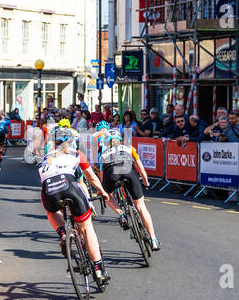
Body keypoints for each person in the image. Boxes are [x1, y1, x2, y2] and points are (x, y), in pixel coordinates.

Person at [38, 127, 114, 285]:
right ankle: (98, 269)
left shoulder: (46, 157)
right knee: (87, 229)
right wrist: (103, 192)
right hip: (70, 186)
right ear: (71, 142)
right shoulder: (76, 154)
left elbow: (44, 184)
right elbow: (91, 179)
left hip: (49, 190)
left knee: (51, 212)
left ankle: (63, 233)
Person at [94, 122, 160, 251]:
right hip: (128, 172)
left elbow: (102, 178)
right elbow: (140, 169)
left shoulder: (103, 154)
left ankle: (121, 214)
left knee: (107, 195)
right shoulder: (129, 148)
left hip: (111, 174)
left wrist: (103, 192)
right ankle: (153, 239)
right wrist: (146, 183)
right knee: (141, 206)